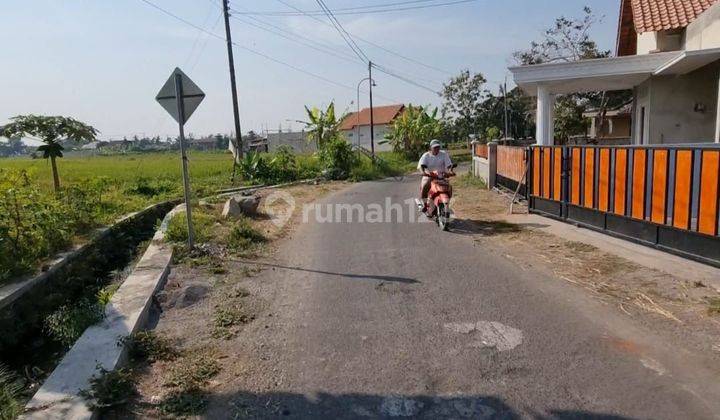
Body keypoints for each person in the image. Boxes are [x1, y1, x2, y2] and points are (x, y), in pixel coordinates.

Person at [418, 139, 453, 212]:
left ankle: (446, 202)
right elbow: (422, 166)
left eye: (438, 147)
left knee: (449, 187)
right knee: (425, 186)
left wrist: (450, 172)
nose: (436, 149)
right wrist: (423, 172)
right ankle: (424, 204)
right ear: (430, 147)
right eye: (434, 147)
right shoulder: (426, 155)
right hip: (429, 176)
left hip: (441, 177)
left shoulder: (444, 154)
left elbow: (449, 165)